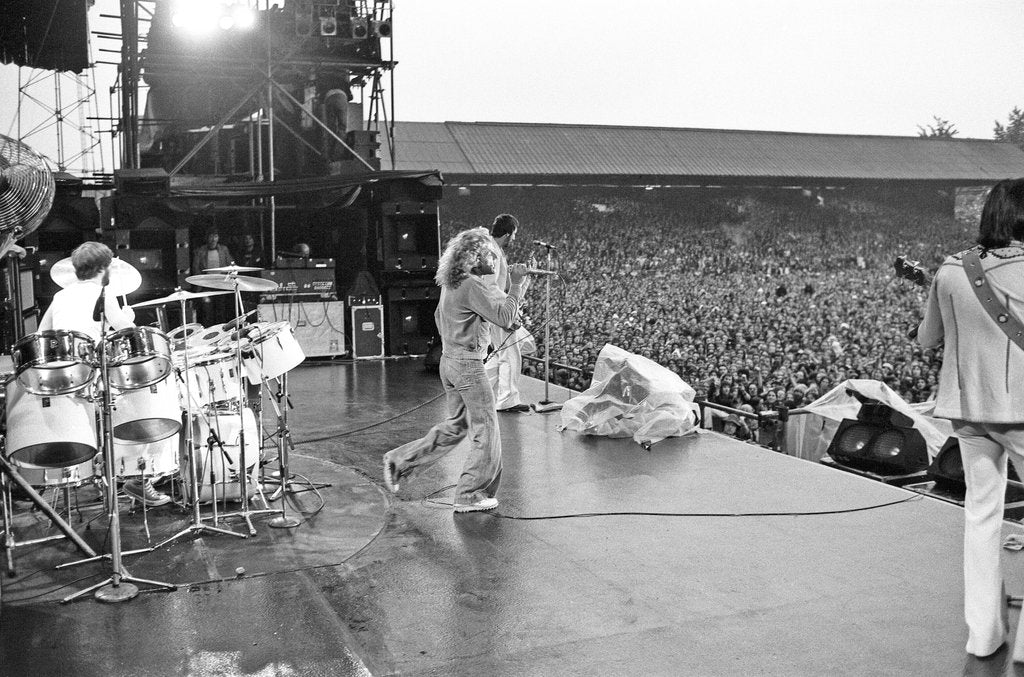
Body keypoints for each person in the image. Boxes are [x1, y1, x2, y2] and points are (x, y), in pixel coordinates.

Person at [917, 178, 1024, 661]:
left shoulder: (952, 269)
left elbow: (926, 341)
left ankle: (983, 634)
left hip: (967, 413)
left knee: (982, 516)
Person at [383, 227, 527, 513]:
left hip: (450, 361)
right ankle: (470, 494)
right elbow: (503, 315)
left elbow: (443, 317)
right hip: (467, 366)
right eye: (491, 254)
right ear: (476, 257)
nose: (496, 260)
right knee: (486, 427)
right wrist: (518, 284)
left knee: (456, 426)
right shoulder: (473, 285)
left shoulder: (452, 283)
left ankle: (399, 462)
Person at [38, 242, 170, 506]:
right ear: (103, 268)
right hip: (94, 373)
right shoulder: (103, 294)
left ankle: (99, 473)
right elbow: (125, 330)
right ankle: (137, 476)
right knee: (139, 406)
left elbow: (43, 333)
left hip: (65, 377)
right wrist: (127, 316)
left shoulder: (60, 296)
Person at [483, 214, 531, 413]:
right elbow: (491, 289)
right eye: (514, 235)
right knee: (510, 354)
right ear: (507, 234)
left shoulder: (494, 250)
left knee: (499, 353)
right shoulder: (492, 253)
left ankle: (480, 389)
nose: (515, 239)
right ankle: (507, 400)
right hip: (497, 312)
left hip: (495, 311)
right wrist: (506, 315)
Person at [191, 227, 234, 324]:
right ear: (207, 238)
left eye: (216, 236)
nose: (213, 239)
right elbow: (196, 269)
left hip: (221, 285)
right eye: (211, 236)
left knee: (221, 312)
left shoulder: (224, 250)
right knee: (207, 313)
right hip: (206, 286)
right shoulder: (200, 251)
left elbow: (231, 265)